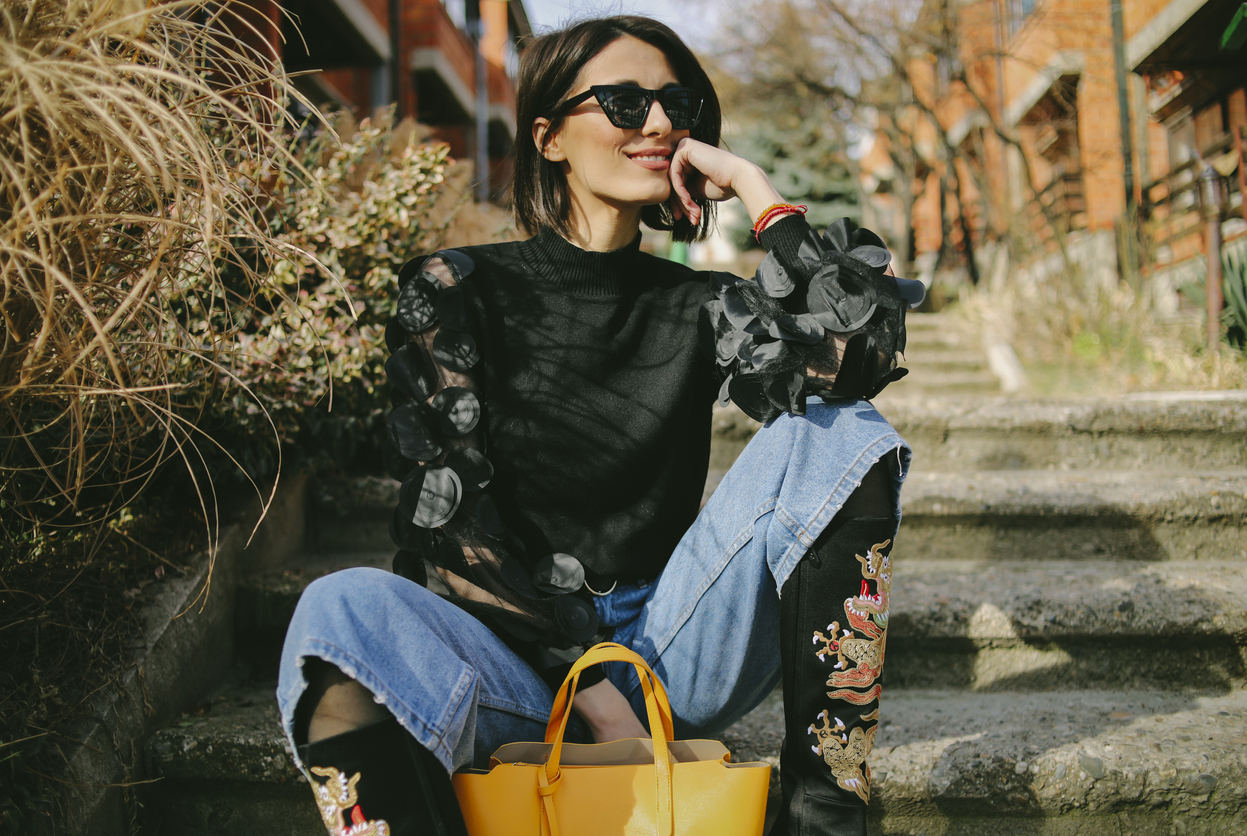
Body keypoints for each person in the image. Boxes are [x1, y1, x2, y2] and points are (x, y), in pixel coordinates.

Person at [278, 15, 920, 836]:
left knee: (841, 431)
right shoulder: (457, 289)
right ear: (548, 137)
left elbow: (855, 357)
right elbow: (452, 530)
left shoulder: (702, 305)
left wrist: (760, 193)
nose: (658, 123)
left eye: (675, 103)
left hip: (671, 650)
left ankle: (827, 815)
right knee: (338, 609)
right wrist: (587, 687)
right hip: (514, 664)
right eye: (623, 102)